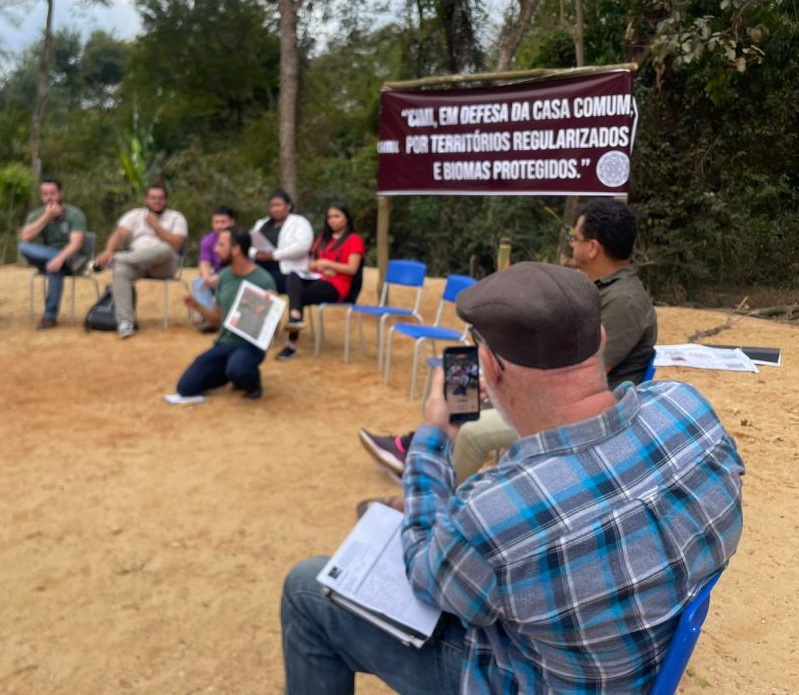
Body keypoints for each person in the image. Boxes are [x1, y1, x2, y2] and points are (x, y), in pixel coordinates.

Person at [281, 262, 745, 693]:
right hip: (632, 662)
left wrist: (431, 435)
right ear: (601, 339)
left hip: (531, 679)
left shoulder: (497, 512)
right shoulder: (689, 411)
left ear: (492, 369)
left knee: (305, 589)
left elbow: (427, 575)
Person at [359, 197, 658, 489]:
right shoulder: (593, 288)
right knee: (461, 377)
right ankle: (414, 447)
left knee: (472, 428)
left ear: (592, 248)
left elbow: (585, 374)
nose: (571, 243)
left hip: (576, 414)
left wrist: (510, 380)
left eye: (574, 237)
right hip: (551, 391)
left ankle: (429, 506)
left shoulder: (625, 302)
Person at [177, 227, 276, 399]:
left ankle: (252, 383)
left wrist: (271, 308)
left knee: (238, 368)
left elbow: (275, 330)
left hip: (249, 346)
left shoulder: (264, 279)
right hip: (224, 344)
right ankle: (229, 373)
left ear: (236, 250)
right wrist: (196, 306)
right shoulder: (223, 276)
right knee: (186, 387)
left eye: (221, 245)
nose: (216, 249)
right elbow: (217, 318)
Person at [93, 184, 188, 338]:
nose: (157, 201)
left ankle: (115, 259)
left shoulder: (176, 217)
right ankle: (125, 322)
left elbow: (177, 244)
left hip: (164, 265)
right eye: (153, 198)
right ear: (146, 200)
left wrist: (156, 226)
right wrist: (109, 250)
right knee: (121, 271)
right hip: (138, 263)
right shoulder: (135, 215)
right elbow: (119, 234)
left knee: (165, 249)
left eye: (161, 198)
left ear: (166, 201)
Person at [275, 201, 364, 361]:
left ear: (347, 218)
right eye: (330, 217)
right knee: (293, 275)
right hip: (317, 278)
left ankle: (291, 344)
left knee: (297, 296)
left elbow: (352, 269)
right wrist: (319, 266)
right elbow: (311, 264)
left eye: (337, 216)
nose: (332, 220)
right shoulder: (323, 238)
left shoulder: (354, 239)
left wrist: (329, 265)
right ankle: (295, 317)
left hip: (338, 286)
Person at [18, 178, 88, 330]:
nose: (49, 197)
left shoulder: (75, 214)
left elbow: (77, 243)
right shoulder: (36, 214)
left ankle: (49, 316)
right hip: (59, 260)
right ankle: (64, 261)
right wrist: (47, 217)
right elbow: (25, 237)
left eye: (53, 193)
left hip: (68, 259)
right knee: (23, 246)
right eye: (45, 194)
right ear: (41, 196)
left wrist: (59, 259)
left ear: (60, 194)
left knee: (54, 268)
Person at [249, 189, 312, 294]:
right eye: (272, 206)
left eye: (278, 205)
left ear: (288, 206)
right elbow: (248, 244)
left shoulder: (299, 222)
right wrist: (255, 253)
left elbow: (302, 247)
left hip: (286, 272)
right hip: (260, 268)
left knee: (263, 283)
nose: (275, 209)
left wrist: (274, 255)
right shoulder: (261, 223)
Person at [194, 205, 236, 331]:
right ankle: (210, 318)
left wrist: (221, 277)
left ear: (232, 222)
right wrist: (207, 277)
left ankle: (222, 318)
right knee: (199, 283)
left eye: (223, 222)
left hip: (236, 279)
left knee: (222, 283)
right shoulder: (208, 240)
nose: (219, 226)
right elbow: (204, 263)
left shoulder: (239, 239)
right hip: (217, 279)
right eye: (216, 222)